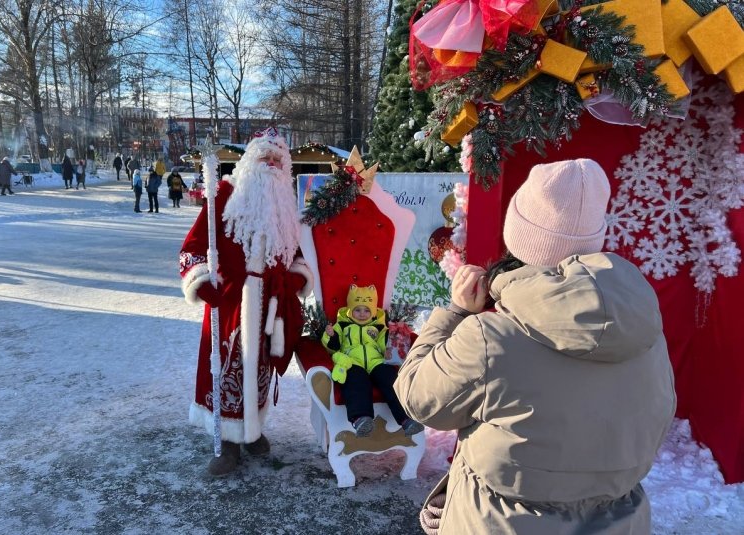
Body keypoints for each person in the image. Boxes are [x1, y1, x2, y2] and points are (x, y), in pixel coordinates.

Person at [395, 159, 676, 535]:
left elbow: (417, 397)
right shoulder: (646, 335)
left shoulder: (490, 337)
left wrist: (456, 312)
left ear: (519, 237)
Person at [178, 127, 313, 476]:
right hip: (229, 302)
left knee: (261, 369)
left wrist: (297, 276)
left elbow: (296, 253)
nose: (269, 164)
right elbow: (192, 249)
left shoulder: (286, 205)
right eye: (263, 157)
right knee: (226, 369)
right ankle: (227, 442)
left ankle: (252, 430)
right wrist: (202, 280)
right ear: (250, 160)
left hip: (270, 305)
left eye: (276, 159)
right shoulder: (225, 194)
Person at [322, 284, 424, 438]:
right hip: (352, 361)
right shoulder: (342, 325)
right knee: (356, 381)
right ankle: (361, 419)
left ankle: (406, 419)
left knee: (390, 379)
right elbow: (333, 348)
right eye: (358, 309)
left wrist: (394, 336)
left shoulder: (379, 327)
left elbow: (385, 347)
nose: (362, 314)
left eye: (366, 310)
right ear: (350, 309)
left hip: (376, 361)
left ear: (373, 311)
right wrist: (331, 336)